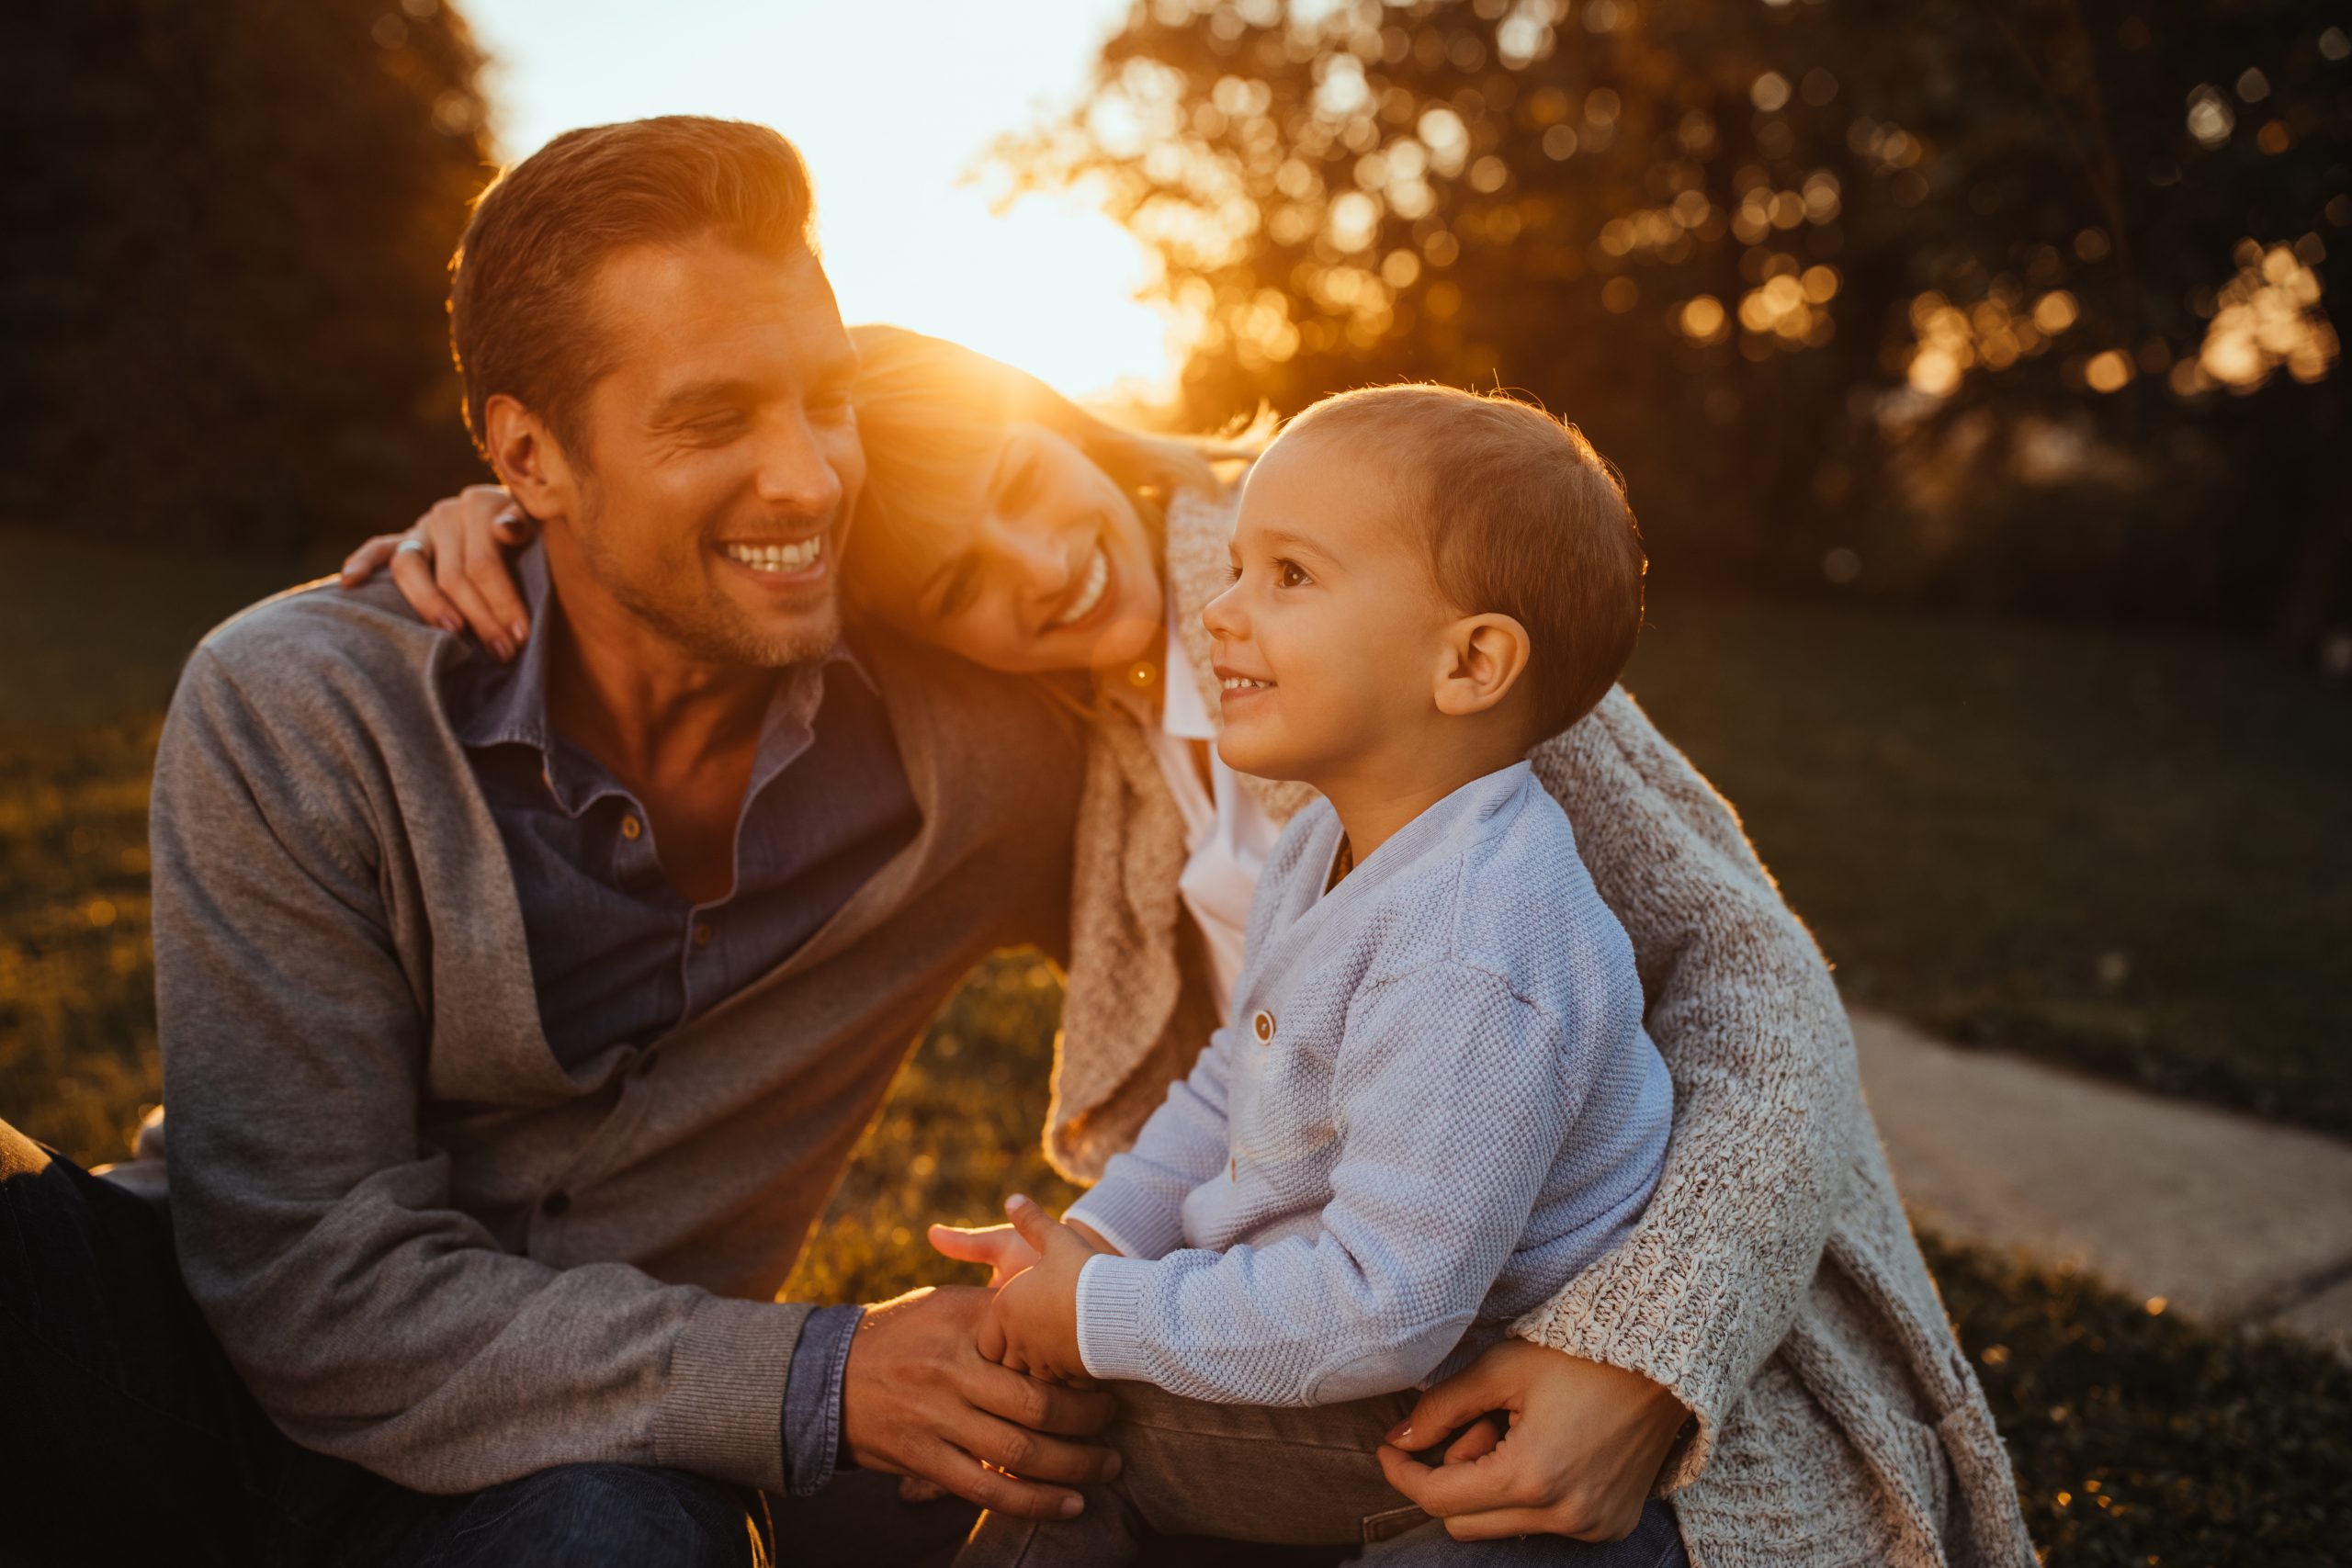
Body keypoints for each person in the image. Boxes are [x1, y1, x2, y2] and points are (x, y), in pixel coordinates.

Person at [356, 332, 2039, 1561]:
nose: (1038, 560)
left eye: (1023, 479)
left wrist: (1644, 1354)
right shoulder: (1066, 750)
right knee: (910, 1476)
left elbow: (1763, 984)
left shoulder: (1395, 593)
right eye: (955, 579)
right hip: (1282, 1310)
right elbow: (1224, 1098)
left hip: (1583, 1306)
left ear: (1063, 420)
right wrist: (540, 523)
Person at [0, 118, 1119, 1568]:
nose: (809, 478)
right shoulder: (304, 700)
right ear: (529, 455)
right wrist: (814, 1372)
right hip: (176, 1370)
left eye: (826, 401)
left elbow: (1325, 844)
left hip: (586, 1464)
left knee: (625, 1543)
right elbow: (302, 1277)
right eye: (714, 422)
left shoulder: (982, 760)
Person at [951, 383, 1680, 1565]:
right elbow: (1227, 1083)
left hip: (1455, 1416)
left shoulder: (1471, 946)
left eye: (1288, 576)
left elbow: (1384, 1308)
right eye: (1234, 567)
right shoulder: (1325, 843)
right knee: (1062, 1409)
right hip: (1381, 1370)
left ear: (1471, 663)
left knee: (1070, 1448)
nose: (1222, 612)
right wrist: (1099, 1239)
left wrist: (1094, 1319)